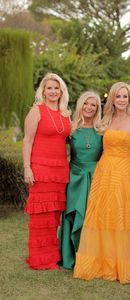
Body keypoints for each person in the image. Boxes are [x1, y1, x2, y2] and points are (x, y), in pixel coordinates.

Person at [74, 82, 130, 283]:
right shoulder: (104, 121)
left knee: (123, 214)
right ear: (112, 98)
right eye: (118, 96)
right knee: (102, 213)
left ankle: (123, 265)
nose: (121, 100)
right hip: (104, 171)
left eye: (125, 96)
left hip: (125, 172)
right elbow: (85, 135)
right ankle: (101, 261)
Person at [23, 73, 71, 270]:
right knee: (41, 215)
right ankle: (40, 258)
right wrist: (27, 167)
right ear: (43, 91)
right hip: (41, 168)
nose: (52, 91)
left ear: (61, 91)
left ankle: (52, 256)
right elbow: (27, 140)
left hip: (60, 170)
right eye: (49, 88)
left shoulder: (66, 113)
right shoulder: (37, 110)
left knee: (54, 216)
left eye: (56, 88)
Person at [59, 91, 103, 269]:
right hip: (75, 176)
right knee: (73, 214)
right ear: (81, 105)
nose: (89, 107)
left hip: (95, 176)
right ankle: (70, 256)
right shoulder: (71, 128)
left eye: (93, 105)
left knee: (92, 216)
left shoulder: (102, 129)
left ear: (97, 108)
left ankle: (90, 255)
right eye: (86, 103)